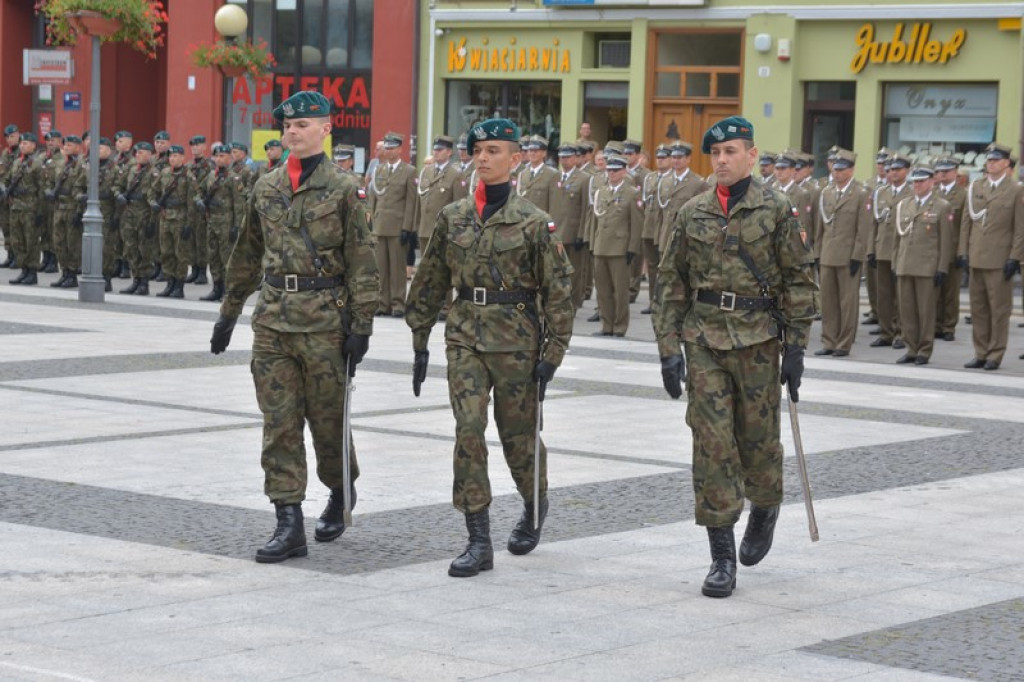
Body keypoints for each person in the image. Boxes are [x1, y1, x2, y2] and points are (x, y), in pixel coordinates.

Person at [209, 90, 379, 563]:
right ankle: (288, 522)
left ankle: (341, 489)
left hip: (325, 323)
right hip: (273, 323)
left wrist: (361, 326)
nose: (291, 131)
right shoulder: (265, 187)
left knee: (326, 424)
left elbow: (363, 263)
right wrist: (229, 312)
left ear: (325, 129)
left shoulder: (346, 190)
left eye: (302, 125)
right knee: (279, 423)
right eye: (287, 125)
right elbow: (245, 253)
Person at [652, 116, 818, 598]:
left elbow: (799, 281)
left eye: (731, 153)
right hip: (703, 340)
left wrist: (797, 347)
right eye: (716, 154)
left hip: (759, 341)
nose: (722, 161)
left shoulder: (778, 209)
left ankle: (765, 506)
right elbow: (671, 282)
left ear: (752, 156)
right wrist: (668, 350)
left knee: (758, 442)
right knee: (711, 446)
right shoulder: (693, 212)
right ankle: (721, 556)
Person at [404, 118, 574, 578]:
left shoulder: (534, 222)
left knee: (518, 437)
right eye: (478, 149)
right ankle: (478, 538)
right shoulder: (453, 216)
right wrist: (419, 340)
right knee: (469, 429)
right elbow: (431, 278)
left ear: (515, 159)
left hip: (517, 340)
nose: (483, 157)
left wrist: (551, 355)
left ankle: (534, 503)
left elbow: (559, 292)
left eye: (494, 150)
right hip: (464, 337)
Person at [958, 143, 1024, 370]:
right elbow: (967, 223)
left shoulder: (1015, 190)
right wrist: (963, 253)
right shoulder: (976, 186)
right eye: (989, 160)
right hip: (976, 256)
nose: (991, 163)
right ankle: (980, 352)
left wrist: (1014, 258)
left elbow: (1019, 227)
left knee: (999, 310)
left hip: (999, 259)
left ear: (1006, 163)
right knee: (978, 309)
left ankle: (995, 354)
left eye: (996, 160)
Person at [892, 164, 955, 365]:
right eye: (915, 181)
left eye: (921, 181)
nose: (917, 185)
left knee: (925, 312)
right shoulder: (905, 204)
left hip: (927, 268)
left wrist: (942, 268)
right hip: (905, 265)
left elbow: (946, 241)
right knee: (907, 311)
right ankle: (911, 347)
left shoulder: (941, 206)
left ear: (931, 182)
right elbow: (897, 238)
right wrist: (895, 263)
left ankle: (924, 350)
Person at [812, 149, 871, 357]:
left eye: (842, 169)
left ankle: (844, 343)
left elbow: (862, 229)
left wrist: (857, 256)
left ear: (851, 170)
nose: (837, 173)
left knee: (847, 302)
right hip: (828, 254)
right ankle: (829, 340)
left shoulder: (861, 193)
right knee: (827, 301)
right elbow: (820, 227)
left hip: (848, 256)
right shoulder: (826, 193)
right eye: (835, 169)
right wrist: (817, 253)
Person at [590, 153, 643, 337]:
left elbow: (637, 224)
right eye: (609, 170)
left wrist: (633, 248)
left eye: (615, 170)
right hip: (601, 246)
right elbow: (595, 221)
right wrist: (592, 245)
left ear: (624, 171)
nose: (611, 173)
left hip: (620, 248)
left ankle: (620, 326)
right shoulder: (601, 192)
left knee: (620, 292)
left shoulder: (632, 193)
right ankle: (607, 325)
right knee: (602, 290)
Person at [368, 132, 416, 317]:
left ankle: (397, 303)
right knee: (381, 268)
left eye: (392, 148)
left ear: (399, 149)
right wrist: (370, 223)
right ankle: (382, 302)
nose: (388, 151)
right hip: (380, 225)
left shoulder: (409, 171)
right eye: (386, 147)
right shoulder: (378, 170)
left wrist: (408, 228)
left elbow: (411, 202)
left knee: (397, 268)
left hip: (397, 226)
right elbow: (373, 199)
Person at [868, 153, 912, 349]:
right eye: (891, 169)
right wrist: (871, 250)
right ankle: (886, 332)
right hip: (883, 248)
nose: (893, 173)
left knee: (902, 296)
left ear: (907, 171)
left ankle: (903, 333)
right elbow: (873, 224)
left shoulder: (912, 193)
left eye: (898, 169)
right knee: (883, 295)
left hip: (903, 250)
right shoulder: (881, 192)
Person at [195, 144, 248, 303]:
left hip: (227, 222)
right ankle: (216, 288)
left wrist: (236, 226)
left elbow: (239, 205)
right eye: (217, 156)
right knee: (213, 256)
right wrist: (199, 201)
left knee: (227, 258)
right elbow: (198, 191)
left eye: (223, 156)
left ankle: (227, 290)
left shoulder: (234, 178)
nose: (219, 159)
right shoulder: (211, 175)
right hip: (212, 221)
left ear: (229, 158)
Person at [148, 145, 198, 299]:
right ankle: (169, 283)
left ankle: (179, 285)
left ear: (183, 158)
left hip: (180, 218)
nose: (173, 159)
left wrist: (189, 224)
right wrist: (153, 203)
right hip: (165, 217)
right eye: (171, 156)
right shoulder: (164, 173)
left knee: (180, 254)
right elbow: (152, 191)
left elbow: (192, 203)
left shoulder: (188, 177)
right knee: (166, 252)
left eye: (176, 156)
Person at [932, 157, 966, 342]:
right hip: (932, 249)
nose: (942, 174)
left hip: (952, 249)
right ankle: (935, 324)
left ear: (955, 172)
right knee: (934, 290)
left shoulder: (962, 195)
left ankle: (948, 326)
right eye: (939, 171)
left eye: (947, 170)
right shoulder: (933, 192)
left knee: (950, 291)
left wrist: (962, 251)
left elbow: (964, 226)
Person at [5, 132, 41, 285]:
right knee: (17, 240)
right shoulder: (17, 162)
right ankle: (23, 269)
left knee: (30, 240)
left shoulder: (37, 163)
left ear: (33, 145)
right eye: (21, 143)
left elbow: (41, 188)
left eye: (26, 143)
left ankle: (32, 271)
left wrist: (40, 211)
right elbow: (8, 179)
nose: (22, 146)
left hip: (30, 207)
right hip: (16, 206)